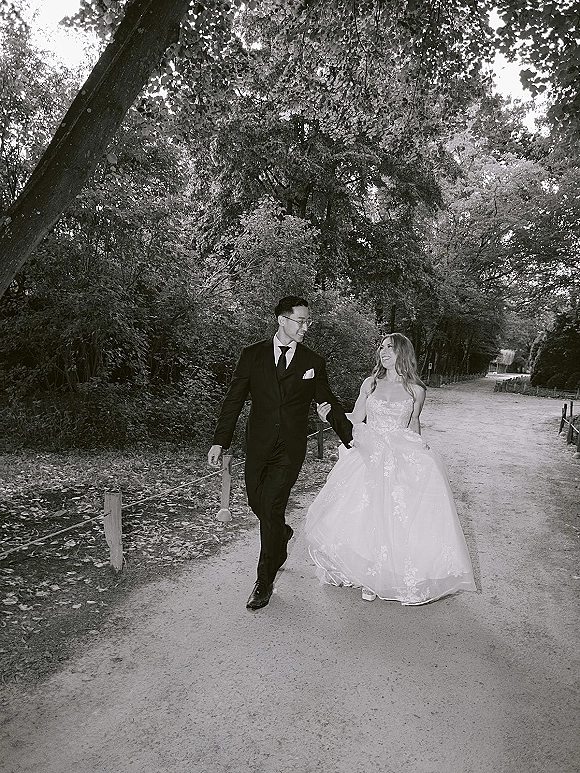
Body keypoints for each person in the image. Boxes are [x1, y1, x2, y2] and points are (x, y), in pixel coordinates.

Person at [303, 333, 476, 605]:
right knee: (366, 515)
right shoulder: (370, 384)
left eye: (390, 348)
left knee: (395, 516)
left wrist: (420, 450)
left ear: (402, 354)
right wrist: (328, 417)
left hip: (399, 454)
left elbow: (413, 423)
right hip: (369, 453)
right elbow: (357, 417)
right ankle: (367, 575)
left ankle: (384, 575)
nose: (383, 352)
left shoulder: (416, 390)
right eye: (381, 347)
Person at [208, 296, 353, 610]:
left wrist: (351, 439)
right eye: (301, 321)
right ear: (282, 320)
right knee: (256, 503)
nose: (305, 327)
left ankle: (264, 581)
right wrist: (221, 441)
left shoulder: (312, 362)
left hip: (290, 448)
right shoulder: (252, 355)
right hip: (258, 444)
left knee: (271, 507)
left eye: (307, 322)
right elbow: (233, 401)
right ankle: (283, 534)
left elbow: (329, 402)